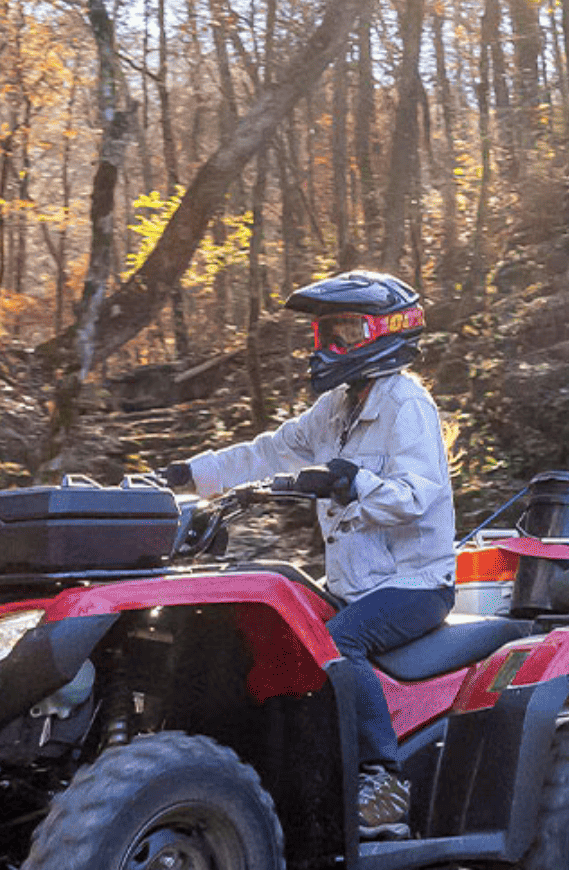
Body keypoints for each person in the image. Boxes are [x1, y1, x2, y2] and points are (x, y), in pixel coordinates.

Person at [161, 271, 455, 838]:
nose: (326, 347)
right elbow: (273, 450)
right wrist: (186, 475)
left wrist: (353, 483)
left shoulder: (407, 404)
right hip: (353, 583)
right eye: (323, 334)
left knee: (342, 640)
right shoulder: (338, 407)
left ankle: (385, 782)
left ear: (382, 332)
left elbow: (421, 499)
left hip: (415, 583)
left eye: (341, 332)